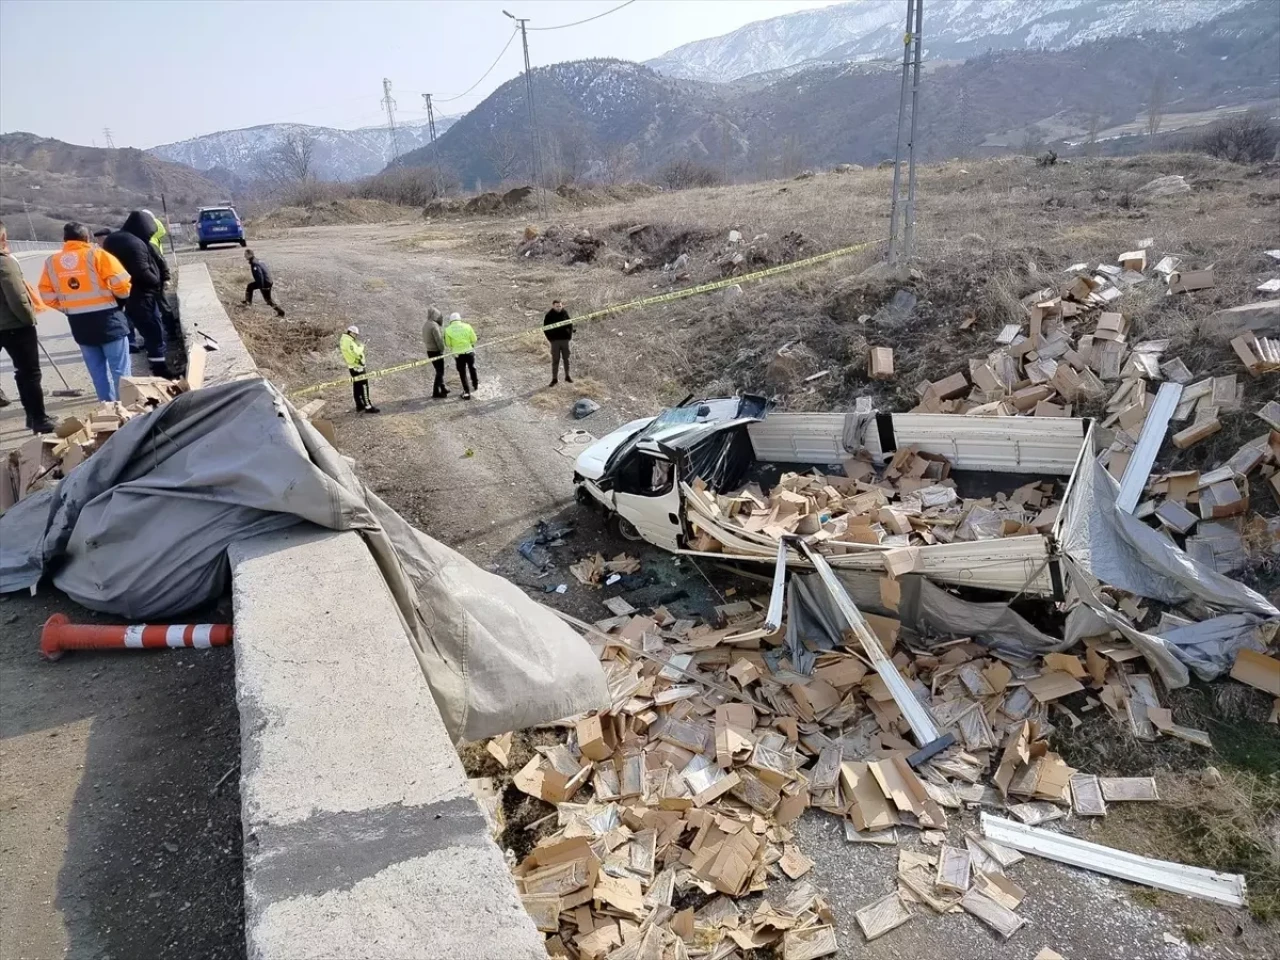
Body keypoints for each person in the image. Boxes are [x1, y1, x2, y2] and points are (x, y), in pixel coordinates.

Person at [38, 222, 132, 402]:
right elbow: (122, 283)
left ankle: (108, 410)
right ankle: (128, 411)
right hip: (109, 319)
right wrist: (119, 299)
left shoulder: (52, 262)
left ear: (64, 240)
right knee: (120, 370)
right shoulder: (98, 255)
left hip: (79, 323)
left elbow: (46, 294)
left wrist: (68, 307)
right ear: (87, 238)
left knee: (97, 372)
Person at [0, 219, 56, 433]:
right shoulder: (4, 262)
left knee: (23, 373)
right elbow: (17, 296)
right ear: (3, 238)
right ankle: (37, 419)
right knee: (28, 373)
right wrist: (28, 319)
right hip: (13, 326)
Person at [103, 210, 170, 375]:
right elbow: (141, 271)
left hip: (119, 295)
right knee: (153, 331)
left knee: (133, 331)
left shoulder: (113, 239)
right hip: (141, 296)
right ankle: (160, 370)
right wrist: (156, 281)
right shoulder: (135, 243)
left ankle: (152, 366)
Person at [338, 324, 379, 413]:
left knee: (357, 386)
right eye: (355, 334)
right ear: (350, 332)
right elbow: (356, 352)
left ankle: (359, 405)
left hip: (352, 366)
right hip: (357, 367)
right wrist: (362, 347)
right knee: (364, 386)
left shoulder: (344, 340)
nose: (356, 336)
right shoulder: (348, 342)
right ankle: (368, 406)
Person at [443, 311, 478, 400]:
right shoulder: (467, 326)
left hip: (458, 355)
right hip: (469, 351)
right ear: (459, 319)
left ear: (451, 321)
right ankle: (475, 384)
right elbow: (474, 339)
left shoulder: (447, 330)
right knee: (472, 367)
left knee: (462, 372)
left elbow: (448, 344)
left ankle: (466, 392)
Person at [243, 249, 285, 317]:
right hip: (266, 281)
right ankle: (248, 302)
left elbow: (260, 276)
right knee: (250, 286)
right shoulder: (257, 260)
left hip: (265, 283)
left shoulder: (254, 263)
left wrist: (262, 287)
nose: (244, 256)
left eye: (245, 255)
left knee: (268, 300)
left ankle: (281, 312)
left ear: (250, 255)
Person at [543, 298, 573, 386]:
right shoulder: (549, 315)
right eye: (557, 306)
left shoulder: (564, 313)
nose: (559, 308)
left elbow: (570, 324)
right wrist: (551, 339)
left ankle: (567, 376)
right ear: (553, 306)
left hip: (565, 340)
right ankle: (554, 379)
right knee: (555, 360)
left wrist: (569, 336)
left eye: (560, 306)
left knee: (566, 359)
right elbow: (545, 329)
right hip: (555, 341)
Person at [421, 306, 448, 398]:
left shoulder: (426, 325)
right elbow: (439, 340)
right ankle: (435, 392)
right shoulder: (434, 326)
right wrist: (442, 349)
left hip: (429, 351)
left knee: (438, 371)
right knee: (440, 372)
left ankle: (443, 387)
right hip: (436, 351)